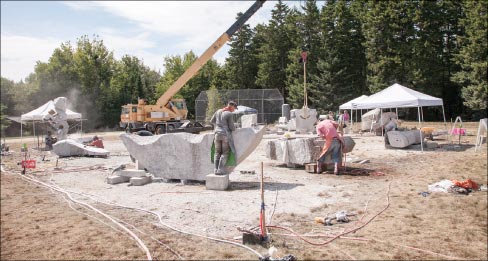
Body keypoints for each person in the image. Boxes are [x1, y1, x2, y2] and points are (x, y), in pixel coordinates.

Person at [210, 101, 238, 175]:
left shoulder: (218, 111)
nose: (234, 110)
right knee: (225, 152)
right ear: (231, 106)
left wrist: (218, 126)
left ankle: (215, 170)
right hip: (225, 135)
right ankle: (220, 169)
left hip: (216, 134)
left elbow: (212, 121)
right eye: (234, 108)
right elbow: (232, 127)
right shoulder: (229, 113)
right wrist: (235, 127)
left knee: (217, 152)